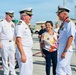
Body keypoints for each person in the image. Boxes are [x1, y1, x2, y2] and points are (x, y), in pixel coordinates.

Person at [56, 6, 75, 75]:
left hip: (65, 49)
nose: (58, 15)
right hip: (62, 48)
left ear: (65, 14)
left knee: (60, 69)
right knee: (66, 69)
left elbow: (71, 37)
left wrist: (65, 51)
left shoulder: (69, 23)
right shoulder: (64, 23)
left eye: (59, 13)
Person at [15, 8, 33, 75]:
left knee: (28, 71)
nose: (31, 17)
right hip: (23, 50)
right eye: (29, 15)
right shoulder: (20, 25)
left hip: (27, 50)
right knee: (24, 71)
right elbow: (18, 40)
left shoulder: (25, 25)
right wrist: (23, 54)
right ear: (23, 16)